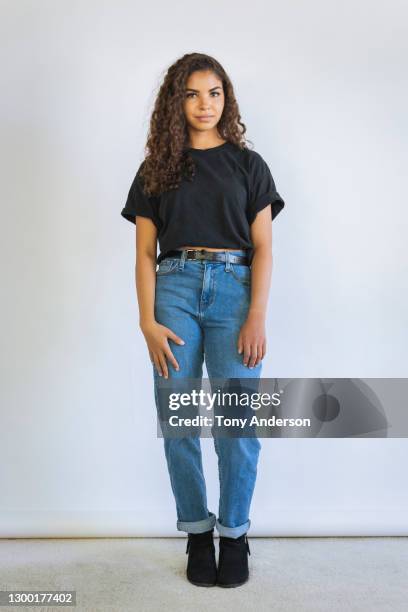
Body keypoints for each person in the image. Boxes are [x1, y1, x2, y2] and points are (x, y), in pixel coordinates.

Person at [121, 52, 285, 588]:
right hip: (175, 290)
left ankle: (234, 534)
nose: (205, 103)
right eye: (192, 93)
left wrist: (256, 313)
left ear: (226, 98)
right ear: (177, 101)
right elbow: (145, 253)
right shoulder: (156, 169)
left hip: (236, 293)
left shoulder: (248, 165)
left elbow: (263, 247)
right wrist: (146, 319)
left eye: (214, 92)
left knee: (238, 425)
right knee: (181, 422)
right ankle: (197, 534)